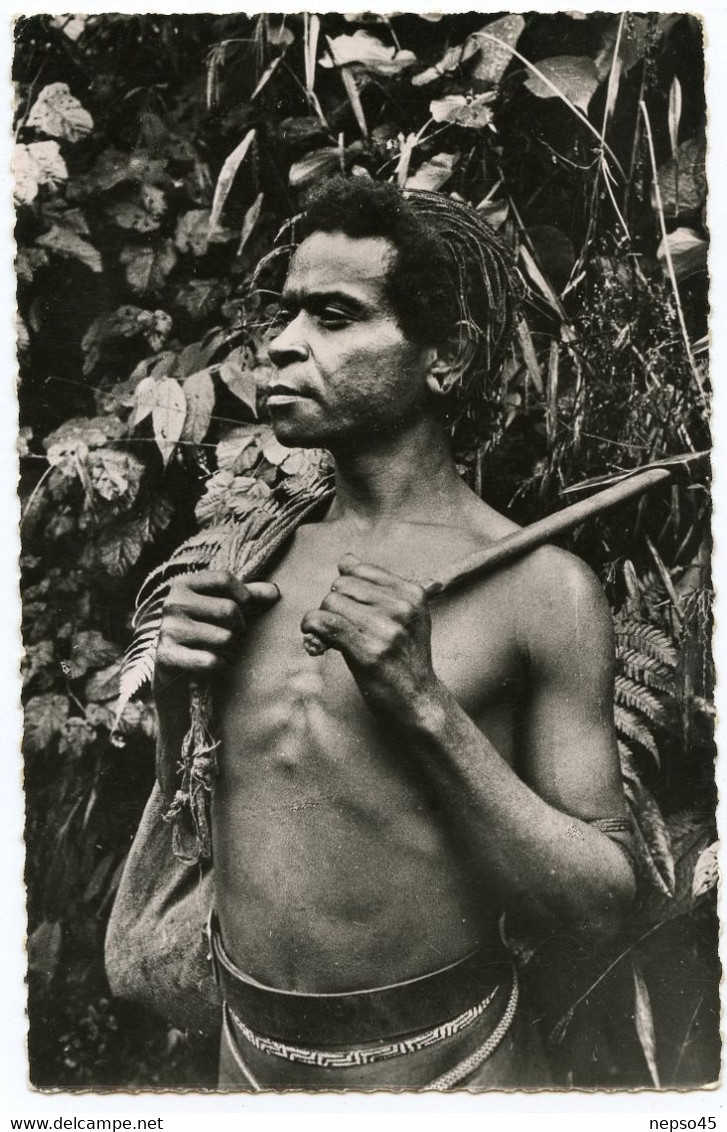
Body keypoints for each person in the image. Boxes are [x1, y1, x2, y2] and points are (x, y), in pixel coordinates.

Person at [149, 178, 636, 1089]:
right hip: (245, 1072)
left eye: (335, 315)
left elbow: (603, 903)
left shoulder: (540, 591)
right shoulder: (255, 562)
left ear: (445, 359)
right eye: (288, 312)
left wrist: (424, 706)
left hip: (449, 1075)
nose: (284, 344)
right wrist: (175, 698)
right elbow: (199, 835)